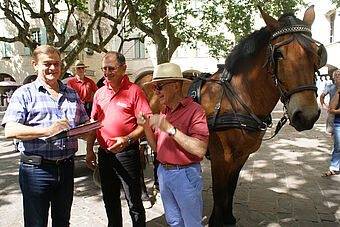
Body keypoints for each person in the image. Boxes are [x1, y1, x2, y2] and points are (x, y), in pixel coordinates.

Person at [1, 45, 89, 226]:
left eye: (56, 64)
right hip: (36, 171)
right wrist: (47, 131)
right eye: (47, 64)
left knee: (63, 222)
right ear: (35, 65)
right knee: (36, 223)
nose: (53, 69)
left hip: (66, 169)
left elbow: (83, 126)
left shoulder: (72, 94)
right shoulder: (24, 94)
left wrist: (90, 130)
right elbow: (10, 130)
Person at [137, 63, 209, 227]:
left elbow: (200, 149)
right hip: (164, 172)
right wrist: (145, 127)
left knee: (192, 223)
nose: (155, 92)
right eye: (155, 87)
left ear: (176, 86)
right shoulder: (164, 112)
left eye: (159, 86)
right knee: (174, 221)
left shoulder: (195, 111)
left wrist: (169, 128)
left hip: (185, 174)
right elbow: (157, 149)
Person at [86, 51, 152, 227]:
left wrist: (128, 139)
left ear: (123, 68)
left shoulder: (135, 91)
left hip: (127, 154)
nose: (107, 73)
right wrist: (89, 151)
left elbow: (146, 123)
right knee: (110, 200)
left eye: (111, 68)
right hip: (105, 155)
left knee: (134, 201)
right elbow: (94, 125)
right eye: (104, 69)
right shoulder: (99, 94)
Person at [323, 69, 340, 176]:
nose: (338, 76)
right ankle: (334, 167)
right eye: (337, 75)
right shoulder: (332, 88)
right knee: (337, 145)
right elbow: (332, 109)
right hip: (337, 120)